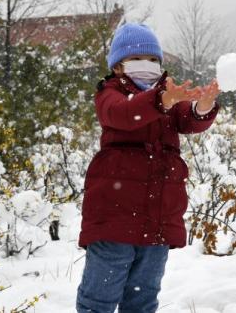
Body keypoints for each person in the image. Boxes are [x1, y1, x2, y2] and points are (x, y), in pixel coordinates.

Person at [76, 23, 221, 313]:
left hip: (158, 222)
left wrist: (202, 108)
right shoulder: (109, 93)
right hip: (114, 219)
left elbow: (188, 120)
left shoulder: (167, 95)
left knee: (142, 301)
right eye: (139, 59)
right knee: (98, 301)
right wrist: (162, 100)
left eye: (154, 60)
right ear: (118, 66)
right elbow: (125, 114)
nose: (149, 65)